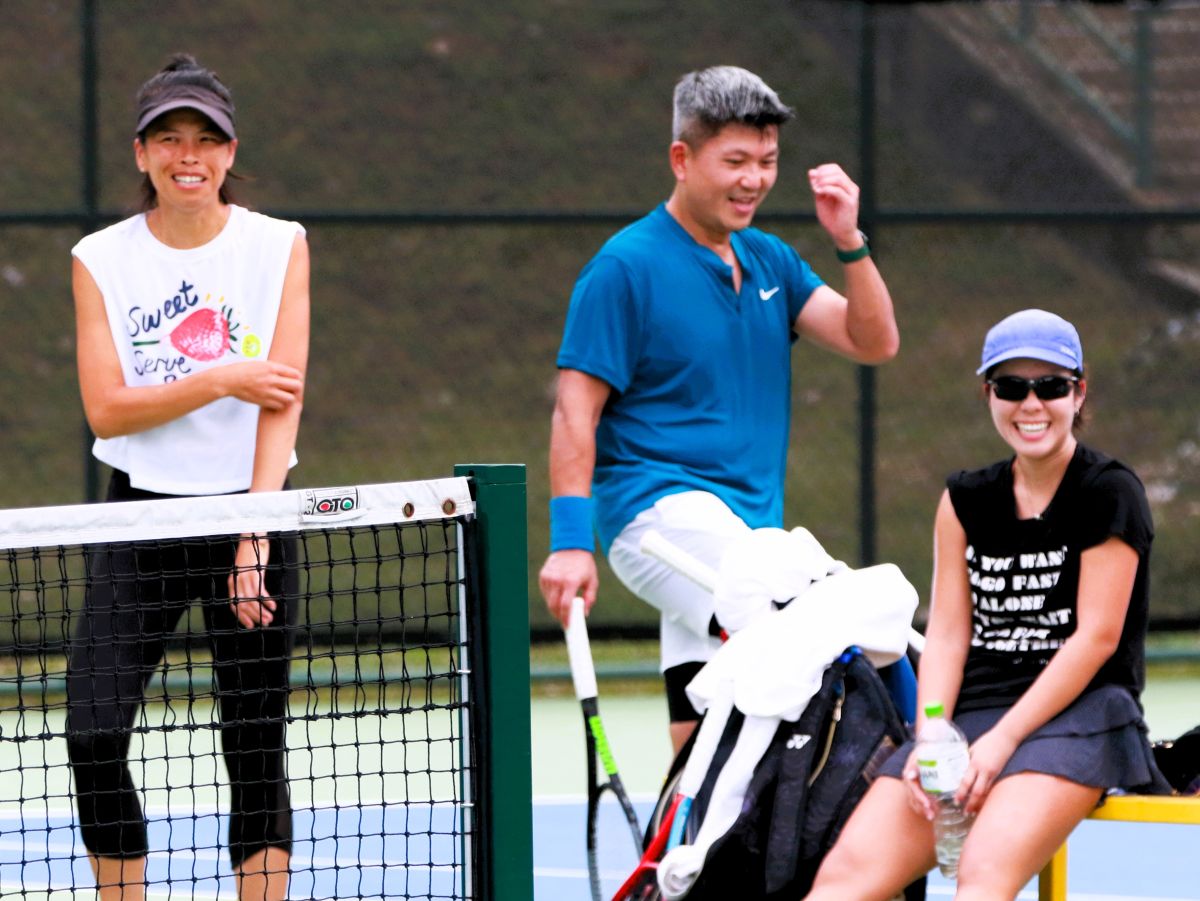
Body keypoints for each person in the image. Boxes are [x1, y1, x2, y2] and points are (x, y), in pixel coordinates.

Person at [537, 66, 900, 752]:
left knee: (703, 733)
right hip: (658, 518)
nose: (754, 180)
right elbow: (574, 413)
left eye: (766, 162)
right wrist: (569, 540)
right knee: (821, 630)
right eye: (734, 161)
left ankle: (686, 850)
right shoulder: (624, 268)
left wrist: (849, 240)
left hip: (742, 528)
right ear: (682, 158)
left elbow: (872, 339)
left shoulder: (771, 261)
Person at [803, 309, 1171, 901]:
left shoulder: (1109, 491)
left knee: (979, 877)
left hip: (1081, 715)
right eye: (1011, 386)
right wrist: (930, 737)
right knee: (842, 881)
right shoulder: (964, 499)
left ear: (1078, 393)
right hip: (974, 714)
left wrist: (998, 745)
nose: (1031, 404)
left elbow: (1096, 639)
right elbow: (948, 633)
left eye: (1050, 386)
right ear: (988, 394)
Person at [66, 54, 308, 901]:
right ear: (141, 154)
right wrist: (221, 378)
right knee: (93, 731)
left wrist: (254, 535)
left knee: (253, 743)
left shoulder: (280, 245)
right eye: (168, 137)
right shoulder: (98, 258)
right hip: (137, 521)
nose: (187, 153)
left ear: (230, 151)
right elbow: (108, 410)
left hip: (255, 515)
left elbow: (282, 402)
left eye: (205, 137)